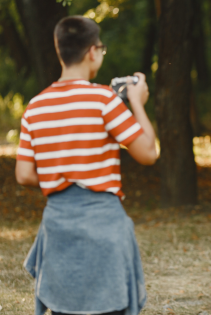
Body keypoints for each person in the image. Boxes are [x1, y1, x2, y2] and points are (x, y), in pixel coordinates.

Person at [15, 16, 157, 315]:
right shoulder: (104, 99)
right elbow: (148, 153)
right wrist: (138, 102)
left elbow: (24, 174)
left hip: (58, 227)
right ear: (93, 51)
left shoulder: (35, 107)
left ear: (59, 50)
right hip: (103, 227)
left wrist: (64, 174)